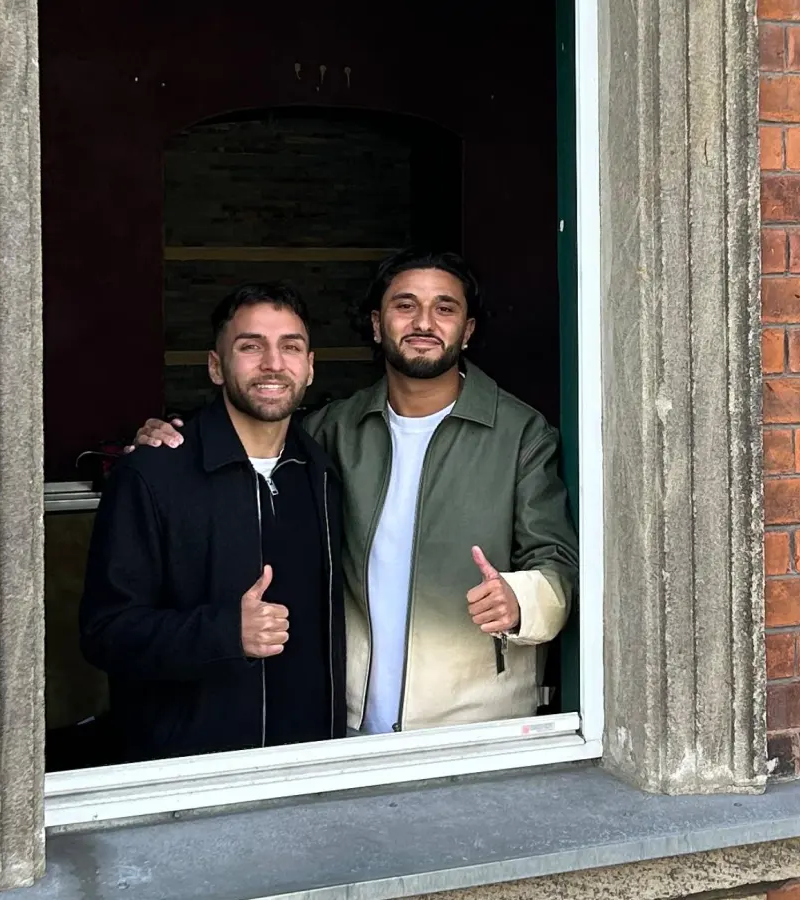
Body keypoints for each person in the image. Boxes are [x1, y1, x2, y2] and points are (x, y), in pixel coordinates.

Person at [134, 250, 578, 734]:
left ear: (467, 330)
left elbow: (557, 561)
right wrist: (173, 437)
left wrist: (521, 602)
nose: (424, 322)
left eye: (445, 308)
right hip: (344, 721)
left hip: (474, 724)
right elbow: (256, 422)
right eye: (405, 305)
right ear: (375, 323)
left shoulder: (520, 434)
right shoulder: (331, 430)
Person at [83, 283, 345, 761]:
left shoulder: (323, 475)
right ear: (215, 366)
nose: (273, 363)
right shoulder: (151, 475)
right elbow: (106, 634)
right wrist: (225, 632)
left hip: (308, 767)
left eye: (291, 346)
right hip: (189, 773)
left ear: (310, 367)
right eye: (250, 346)